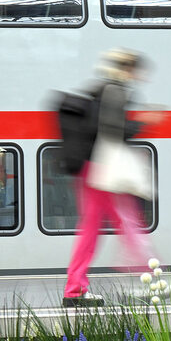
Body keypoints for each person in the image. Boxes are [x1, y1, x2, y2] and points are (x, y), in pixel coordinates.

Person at [63, 49, 163, 307]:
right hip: (102, 169)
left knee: (96, 228)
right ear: (126, 69)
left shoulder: (102, 90)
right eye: (136, 70)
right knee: (126, 221)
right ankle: (151, 277)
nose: (140, 76)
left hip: (92, 168)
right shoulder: (114, 91)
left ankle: (75, 289)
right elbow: (112, 131)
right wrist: (145, 121)